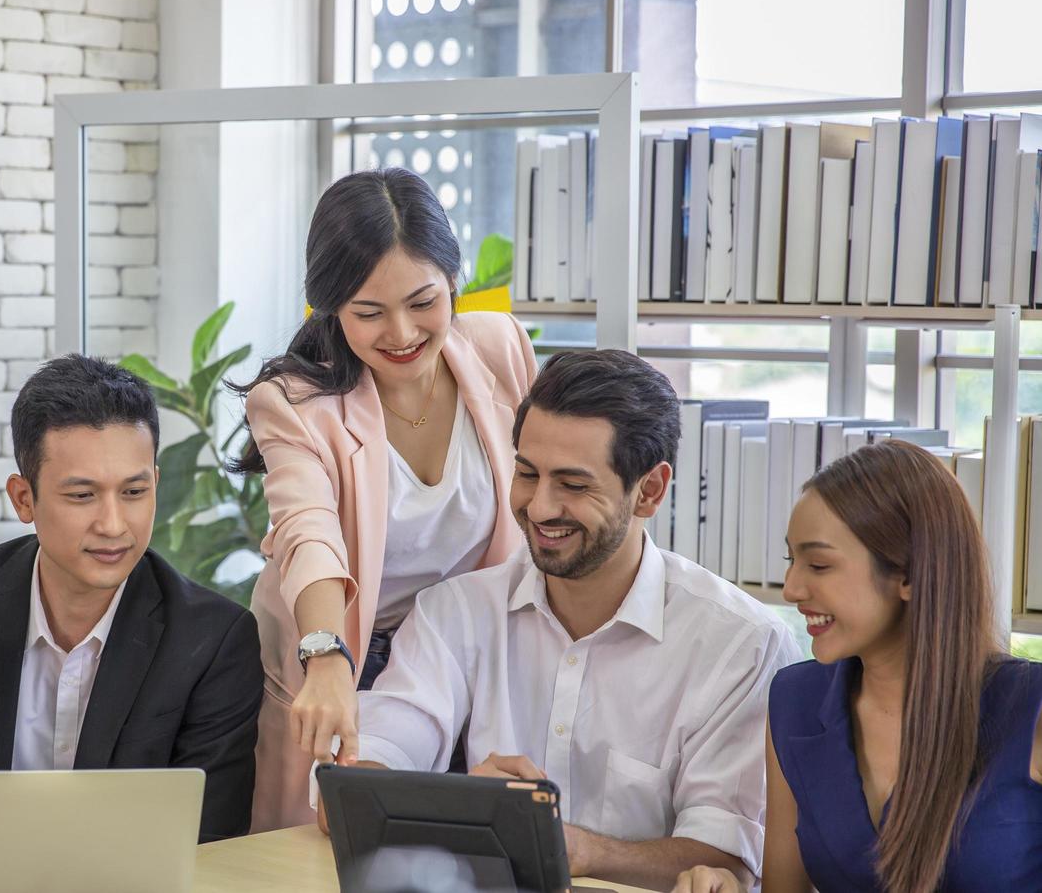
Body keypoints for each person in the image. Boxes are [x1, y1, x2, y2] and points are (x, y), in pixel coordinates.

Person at [340, 350, 802, 892]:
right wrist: (464, 810)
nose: (538, 508)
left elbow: (727, 861)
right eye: (527, 474)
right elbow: (350, 791)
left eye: (573, 485)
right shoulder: (456, 612)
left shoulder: (741, 644)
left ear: (650, 490)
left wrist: (576, 848)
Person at [0, 355, 264, 892]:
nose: (113, 525)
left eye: (134, 492)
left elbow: (208, 850)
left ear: (156, 481)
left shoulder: (214, 641)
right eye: (82, 495)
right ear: (23, 498)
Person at [232, 167, 539, 830]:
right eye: (369, 313)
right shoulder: (296, 402)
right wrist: (325, 655)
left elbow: (547, 483)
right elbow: (307, 531)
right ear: (330, 307)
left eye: (423, 301)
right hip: (339, 654)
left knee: (469, 849)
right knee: (327, 850)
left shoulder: (499, 348)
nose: (401, 332)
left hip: (458, 654)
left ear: (454, 281)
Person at [673, 440, 1042, 893]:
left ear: (908, 574)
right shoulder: (796, 701)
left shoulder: (1030, 709)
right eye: (792, 561)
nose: (791, 589)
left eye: (819, 564)